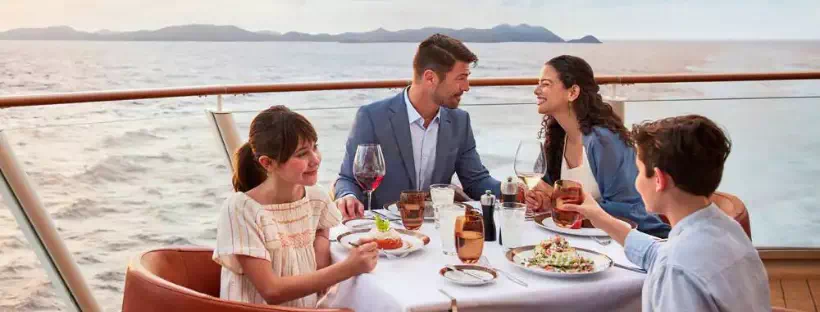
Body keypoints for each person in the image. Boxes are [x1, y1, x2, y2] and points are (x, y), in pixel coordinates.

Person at [562, 115, 770, 311]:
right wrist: (600, 217)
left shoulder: (676, 269)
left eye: (639, 172)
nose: (636, 182)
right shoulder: (727, 229)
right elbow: (657, 253)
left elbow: (671, 262)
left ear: (659, 180)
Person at [212, 106, 378, 307]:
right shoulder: (241, 209)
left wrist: (322, 256)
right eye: (301, 154)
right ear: (267, 163)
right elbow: (271, 291)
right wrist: (347, 268)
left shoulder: (315, 196)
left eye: (314, 147)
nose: (315, 160)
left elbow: (321, 227)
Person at [334, 33, 507, 219]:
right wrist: (348, 196)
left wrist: (512, 190)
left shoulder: (459, 121)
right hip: (384, 228)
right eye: (461, 78)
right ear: (430, 78)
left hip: (436, 228)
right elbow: (348, 179)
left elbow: (475, 180)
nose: (466, 87)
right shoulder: (372, 117)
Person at [524, 55, 670, 238]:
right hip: (582, 240)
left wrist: (560, 201)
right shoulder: (556, 138)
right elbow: (544, 189)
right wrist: (541, 200)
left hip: (637, 242)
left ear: (572, 92)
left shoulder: (603, 140)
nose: (536, 90)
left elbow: (629, 210)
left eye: (545, 84)